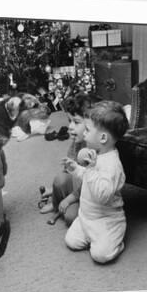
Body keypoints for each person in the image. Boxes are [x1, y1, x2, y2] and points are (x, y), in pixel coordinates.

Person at [64, 100, 130, 264]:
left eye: (87, 130)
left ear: (102, 137)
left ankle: (115, 237)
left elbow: (102, 195)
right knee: (71, 241)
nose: (84, 134)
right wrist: (76, 169)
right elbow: (88, 177)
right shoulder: (96, 154)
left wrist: (91, 169)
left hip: (106, 219)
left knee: (100, 255)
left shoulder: (113, 165)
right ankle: (91, 234)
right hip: (87, 217)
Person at [39, 92, 101, 226]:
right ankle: (55, 204)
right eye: (70, 121)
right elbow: (67, 171)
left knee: (70, 217)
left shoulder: (97, 150)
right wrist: (55, 191)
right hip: (77, 187)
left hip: (90, 194)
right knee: (60, 180)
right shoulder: (77, 142)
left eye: (76, 122)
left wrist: (69, 199)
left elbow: (92, 185)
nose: (71, 127)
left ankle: (64, 203)